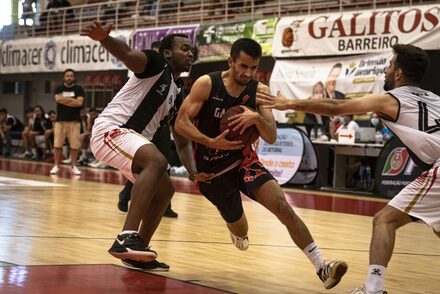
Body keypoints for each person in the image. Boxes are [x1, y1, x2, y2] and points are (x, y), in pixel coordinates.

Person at [257, 43, 440, 294]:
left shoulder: (391, 99)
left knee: (384, 220)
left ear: (398, 74)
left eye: (389, 65)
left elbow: (335, 108)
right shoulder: (435, 99)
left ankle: (373, 290)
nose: (386, 70)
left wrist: (290, 103)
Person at [175, 38, 347, 290]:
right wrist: (211, 142)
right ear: (231, 61)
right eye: (243, 66)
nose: (248, 73)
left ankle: (322, 266)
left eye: (253, 68)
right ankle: (236, 227)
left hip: (244, 162)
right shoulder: (207, 84)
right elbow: (180, 124)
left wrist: (256, 117)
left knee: (282, 207)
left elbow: (271, 135)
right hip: (212, 173)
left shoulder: (259, 91)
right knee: (240, 229)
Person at [80, 21, 212, 269]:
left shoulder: (178, 93)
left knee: (166, 191)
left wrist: (193, 173)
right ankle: (126, 237)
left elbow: (182, 142)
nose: (190, 53)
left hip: (131, 141)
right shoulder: (155, 63)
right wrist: (104, 39)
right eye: (184, 48)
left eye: (192, 50)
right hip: (111, 130)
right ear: (167, 52)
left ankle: (137, 249)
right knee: (157, 161)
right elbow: (128, 55)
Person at [118, 40, 179, 219]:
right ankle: (125, 196)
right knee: (148, 166)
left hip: (160, 127)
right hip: (138, 129)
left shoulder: (174, 81)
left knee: (162, 164)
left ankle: (165, 206)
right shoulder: (145, 71)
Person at [50, 68, 85, 176]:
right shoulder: (59, 88)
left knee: (74, 145)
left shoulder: (79, 89)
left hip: (74, 121)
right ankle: (56, 165)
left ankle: (74, 166)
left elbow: (80, 103)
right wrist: (73, 101)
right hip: (60, 121)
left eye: (71, 76)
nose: (69, 77)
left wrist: (64, 100)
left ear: (74, 77)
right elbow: (57, 99)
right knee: (57, 144)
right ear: (64, 77)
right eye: (67, 76)